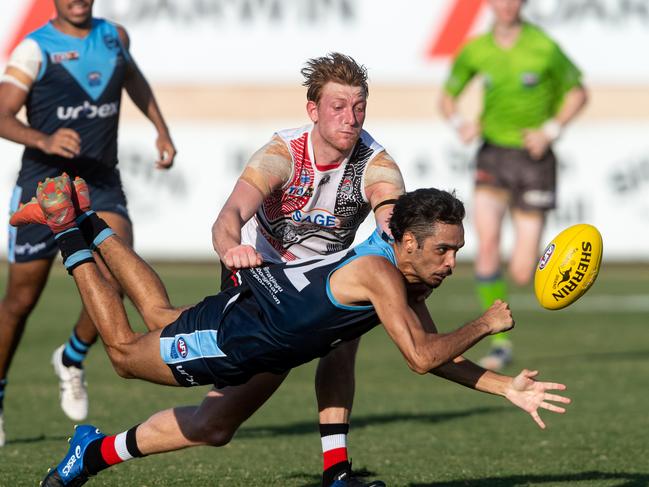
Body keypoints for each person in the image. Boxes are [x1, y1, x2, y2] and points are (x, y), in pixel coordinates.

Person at [12, 175, 570, 486]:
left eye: (457, 252)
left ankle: (91, 452)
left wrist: (505, 388)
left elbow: (430, 353)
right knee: (125, 355)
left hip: (268, 339)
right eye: (443, 250)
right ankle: (68, 228)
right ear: (406, 243)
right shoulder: (380, 274)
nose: (451, 262)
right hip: (240, 336)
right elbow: (422, 357)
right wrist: (485, 323)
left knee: (210, 420)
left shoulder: (402, 283)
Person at [211, 52, 404, 486]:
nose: (350, 119)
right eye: (338, 107)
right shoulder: (283, 153)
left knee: (344, 335)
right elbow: (228, 217)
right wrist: (231, 250)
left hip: (322, 279)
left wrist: (395, 231)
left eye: (359, 107)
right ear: (313, 111)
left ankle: (336, 469)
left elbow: (389, 211)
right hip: (264, 276)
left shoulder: (376, 163)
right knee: (215, 422)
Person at [0, 0, 176, 446]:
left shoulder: (114, 37)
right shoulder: (34, 50)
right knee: (20, 301)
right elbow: (1, 114)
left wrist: (161, 128)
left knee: (118, 270)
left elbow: (133, 78)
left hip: (99, 182)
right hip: (43, 188)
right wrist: (43, 138)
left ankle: (72, 358)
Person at [439, 0, 588, 370]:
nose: (506, 5)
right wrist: (461, 122)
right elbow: (446, 98)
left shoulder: (543, 46)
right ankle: (500, 341)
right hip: (492, 156)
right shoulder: (477, 49)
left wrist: (550, 131)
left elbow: (578, 92)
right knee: (486, 244)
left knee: (523, 272)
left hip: (534, 161)